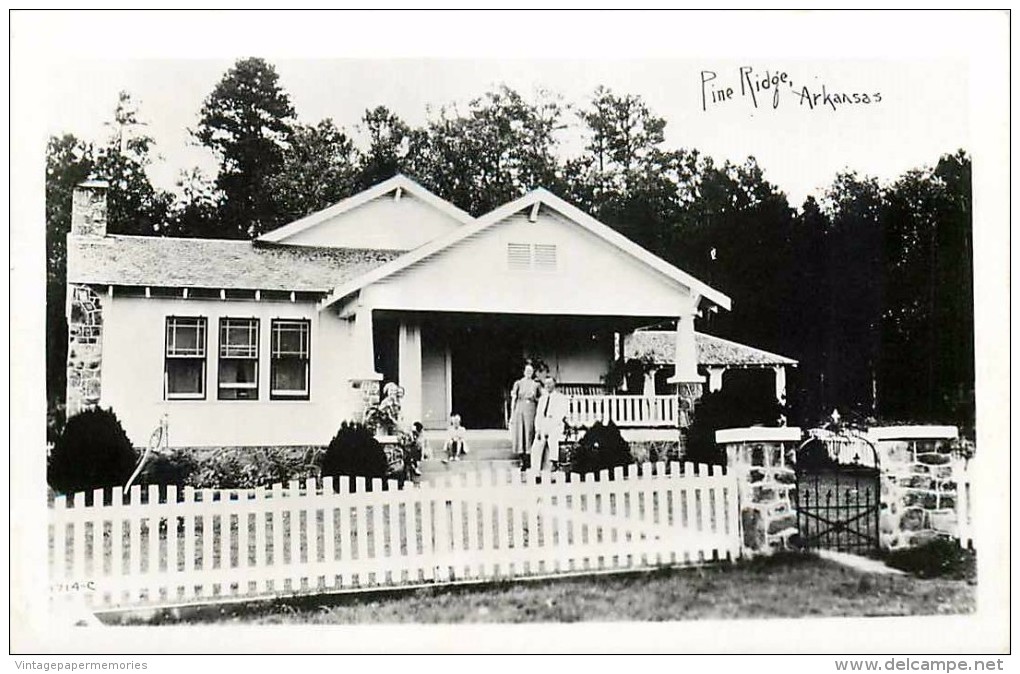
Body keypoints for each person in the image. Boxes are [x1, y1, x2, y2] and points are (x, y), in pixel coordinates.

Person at [530, 376, 570, 473]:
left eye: (550, 383)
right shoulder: (542, 399)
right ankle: (535, 470)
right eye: (546, 384)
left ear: (554, 384)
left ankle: (554, 462)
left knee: (552, 439)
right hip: (544, 423)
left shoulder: (560, 398)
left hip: (556, 423)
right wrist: (538, 429)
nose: (547, 386)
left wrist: (552, 424)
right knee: (537, 444)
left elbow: (562, 413)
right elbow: (538, 414)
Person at [509, 362, 541, 462]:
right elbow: (514, 398)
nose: (528, 373)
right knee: (520, 431)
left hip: (531, 409)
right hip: (519, 408)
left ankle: (529, 455)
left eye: (530, 371)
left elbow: (541, 398)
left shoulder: (536, 384)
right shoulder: (518, 383)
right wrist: (512, 414)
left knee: (529, 430)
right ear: (523, 372)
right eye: (527, 371)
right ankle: (522, 456)